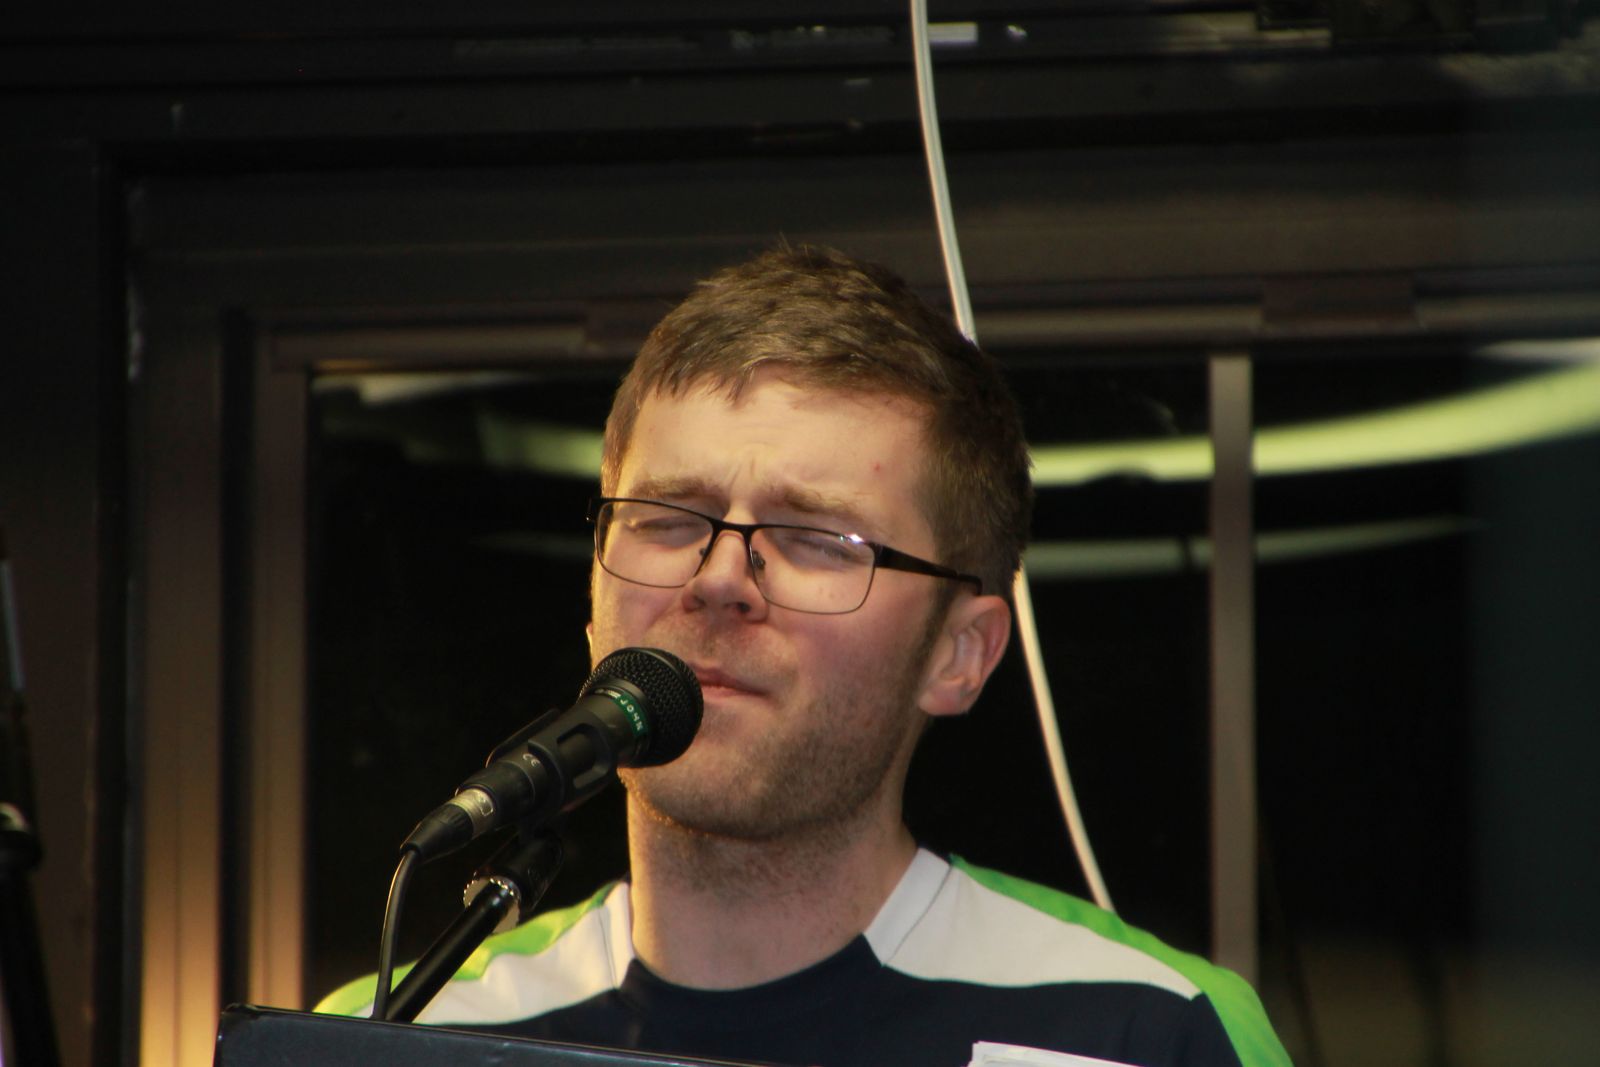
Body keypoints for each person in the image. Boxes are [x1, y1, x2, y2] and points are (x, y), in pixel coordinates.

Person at [318, 245, 1291, 1067]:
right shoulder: (399, 1033)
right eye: (667, 518)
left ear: (960, 652)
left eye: (818, 539)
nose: (718, 579)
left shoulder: (1146, 1029)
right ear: (592, 599)